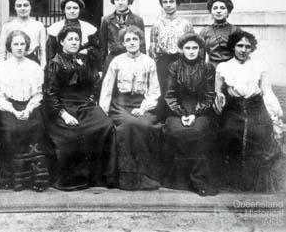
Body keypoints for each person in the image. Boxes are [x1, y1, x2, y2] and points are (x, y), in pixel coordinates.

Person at [44, 25, 116, 190]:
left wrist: (91, 100)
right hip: (63, 107)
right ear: (62, 41)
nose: (74, 42)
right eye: (70, 39)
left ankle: (100, 177)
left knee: (106, 125)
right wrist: (64, 115)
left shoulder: (84, 60)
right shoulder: (54, 63)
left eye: (77, 39)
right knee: (73, 133)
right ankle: (74, 179)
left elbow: (94, 84)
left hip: (85, 105)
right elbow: (50, 94)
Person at [214, 30, 283, 192]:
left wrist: (274, 114)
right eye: (240, 46)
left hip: (255, 105)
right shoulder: (223, 67)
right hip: (233, 107)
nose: (244, 50)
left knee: (259, 131)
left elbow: (267, 91)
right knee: (230, 131)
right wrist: (222, 98)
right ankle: (233, 180)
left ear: (252, 48)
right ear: (233, 47)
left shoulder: (260, 66)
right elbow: (218, 92)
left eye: (247, 46)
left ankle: (255, 182)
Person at [99, 26, 162, 190]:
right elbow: (107, 87)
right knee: (129, 125)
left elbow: (154, 90)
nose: (132, 42)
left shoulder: (148, 62)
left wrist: (143, 108)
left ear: (140, 41)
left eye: (135, 39)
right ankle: (126, 178)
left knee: (145, 125)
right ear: (123, 43)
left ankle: (145, 176)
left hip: (142, 105)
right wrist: (104, 111)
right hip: (120, 105)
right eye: (128, 40)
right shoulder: (117, 61)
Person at [0, 30, 50, 192]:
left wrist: (28, 108)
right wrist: (14, 111)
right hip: (8, 107)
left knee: (37, 126)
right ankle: (14, 179)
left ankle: (36, 177)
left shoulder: (34, 66)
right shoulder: (2, 67)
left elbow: (38, 94)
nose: (19, 47)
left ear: (27, 46)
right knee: (12, 129)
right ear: (9, 47)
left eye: (22, 44)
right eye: (15, 44)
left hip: (30, 106)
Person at [162, 33, 217, 196]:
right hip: (176, 108)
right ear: (181, 49)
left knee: (197, 131)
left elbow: (209, 96)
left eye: (195, 48)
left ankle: (198, 178)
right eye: (188, 48)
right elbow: (170, 94)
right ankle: (179, 179)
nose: (191, 51)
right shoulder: (174, 66)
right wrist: (180, 113)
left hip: (201, 109)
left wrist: (194, 114)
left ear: (200, 49)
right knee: (177, 130)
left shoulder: (207, 67)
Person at [149, 0, 194, 96]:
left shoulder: (186, 24)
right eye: (165, 2)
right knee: (164, 91)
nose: (168, 5)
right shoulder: (156, 24)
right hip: (162, 63)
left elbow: (193, 46)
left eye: (171, 2)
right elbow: (152, 48)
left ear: (177, 3)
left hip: (181, 62)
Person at [46, 0, 101, 70]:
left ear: (80, 10)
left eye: (75, 8)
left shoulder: (89, 28)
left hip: (84, 68)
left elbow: (97, 49)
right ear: (64, 10)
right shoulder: (55, 28)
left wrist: (87, 51)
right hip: (61, 69)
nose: (72, 11)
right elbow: (50, 53)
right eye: (68, 8)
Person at [99, 0, 146, 72]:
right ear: (113, 1)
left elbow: (142, 45)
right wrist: (102, 69)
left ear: (129, 0)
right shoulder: (106, 20)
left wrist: (142, 65)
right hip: (112, 60)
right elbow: (102, 47)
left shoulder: (137, 20)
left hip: (132, 61)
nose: (120, 2)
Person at [0, 0, 46, 68]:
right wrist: (0, 69)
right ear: (14, 7)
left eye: (26, 5)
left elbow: (42, 51)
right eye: (19, 6)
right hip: (12, 64)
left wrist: (43, 69)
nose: (22, 8)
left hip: (32, 63)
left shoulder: (38, 26)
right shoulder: (8, 26)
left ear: (31, 6)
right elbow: (2, 53)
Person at [199, 0, 242, 68]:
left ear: (228, 11)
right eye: (215, 8)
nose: (218, 11)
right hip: (212, 70)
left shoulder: (236, 30)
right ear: (211, 12)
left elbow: (241, 55)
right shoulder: (205, 31)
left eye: (222, 8)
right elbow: (200, 57)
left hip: (232, 69)